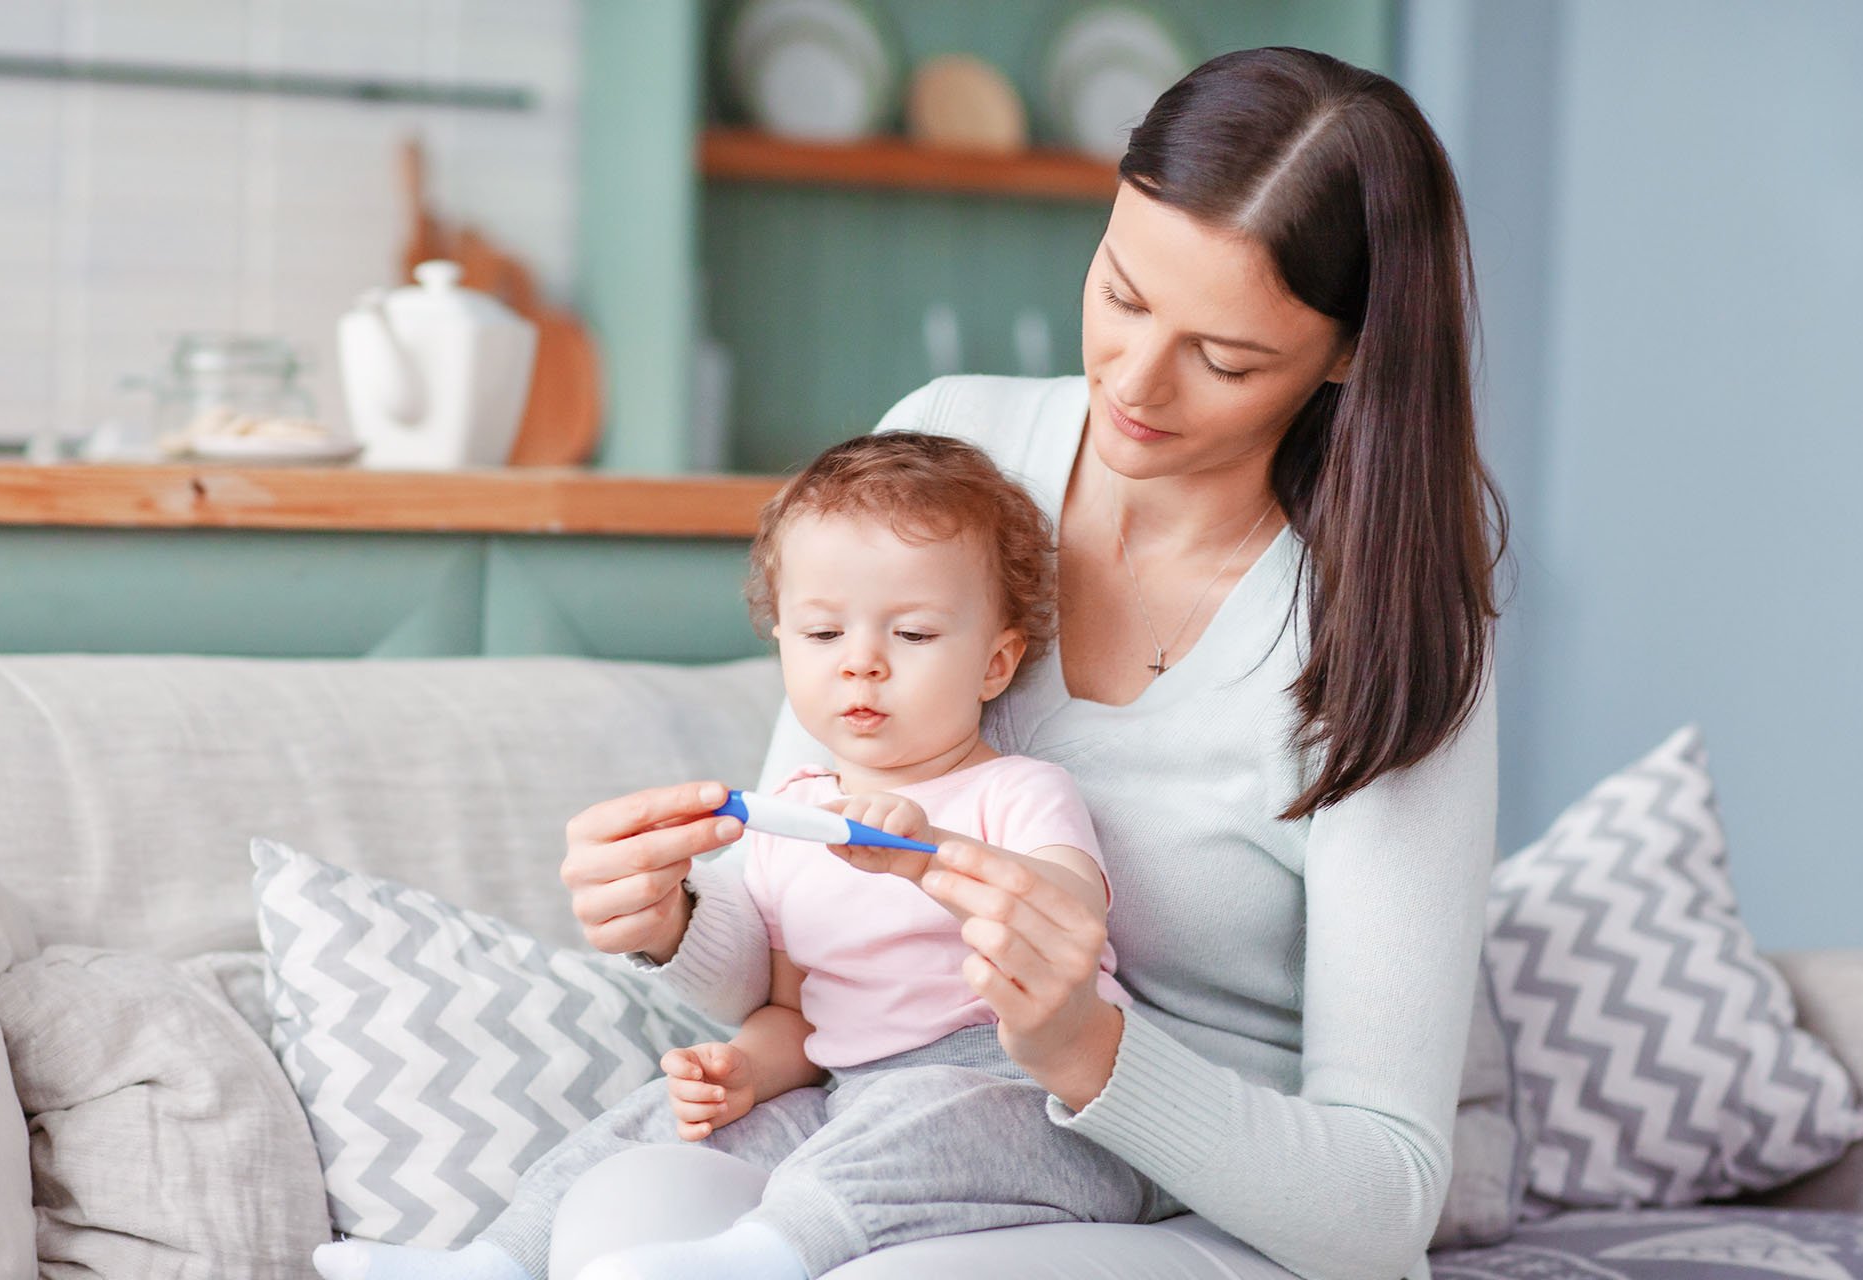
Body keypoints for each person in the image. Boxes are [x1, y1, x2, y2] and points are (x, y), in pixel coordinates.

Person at [556, 45, 1507, 1280]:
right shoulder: (957, 443)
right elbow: (795, 931)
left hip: (1206, 1214)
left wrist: (1085, 1046)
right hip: (889, 1139)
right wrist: (672, 914)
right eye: (1119, 291)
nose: (1135, 381)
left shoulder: (1392, 620)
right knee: (620, 1214)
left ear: (1347, 354)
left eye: (1224, 358)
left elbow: (1383, 1205)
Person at [312, 433, 1176, 1280]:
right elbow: (802, 1020)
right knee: (657, 1120)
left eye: (911, 635)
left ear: (994, 663)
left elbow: (1067, 914)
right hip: (852, 1096)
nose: (862, 666)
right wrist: (739, 1072)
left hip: (1039, 1100)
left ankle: (769, 1253)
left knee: (920, 1112)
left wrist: (930, 852)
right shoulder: (793, 814)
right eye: (823, 633)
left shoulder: (1019, 791)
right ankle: (496, 1258)